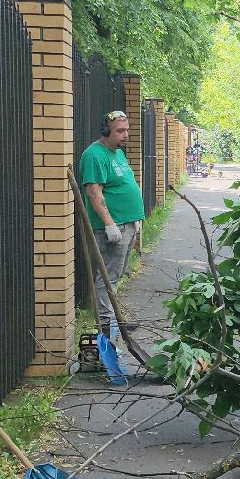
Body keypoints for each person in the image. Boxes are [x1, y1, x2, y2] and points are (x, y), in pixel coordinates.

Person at [81, 108, 145, 333]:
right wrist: (109, 224)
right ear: (107, 130)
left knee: (115, 277)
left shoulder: (117, 153)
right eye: (120, 131)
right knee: (107, 278)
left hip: (127, 224)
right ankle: (105, 326)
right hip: (113, 228)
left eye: (127, 130)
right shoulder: (94, 155)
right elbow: (94, 193)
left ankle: (114, 319)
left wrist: (134, 219)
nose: (126, 135)